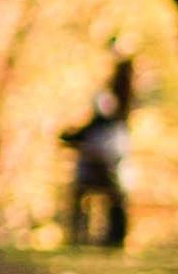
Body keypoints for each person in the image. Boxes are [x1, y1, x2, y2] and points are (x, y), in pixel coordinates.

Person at [58, 54, 140, 254]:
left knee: (113, 200)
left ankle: (109, 239)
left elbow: (73, 138)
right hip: (104, 173)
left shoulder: (111, 125)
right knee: (111, 199)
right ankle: (95, 237)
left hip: (106, 173)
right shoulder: (109, 124)